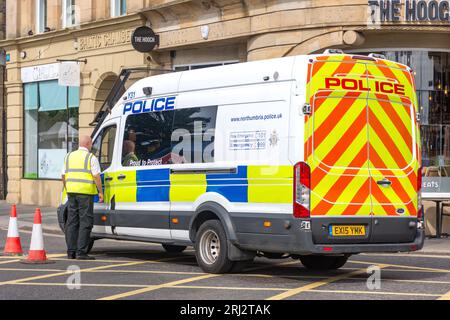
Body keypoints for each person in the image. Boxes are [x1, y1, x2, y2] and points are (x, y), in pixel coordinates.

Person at [61, 135, 104, 260]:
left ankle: (71, 252)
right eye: (91, 144)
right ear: (89, 144)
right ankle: (81, 252)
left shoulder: (69, 156)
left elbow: (63, 175)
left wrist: (67, 188)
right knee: (85, 221)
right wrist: (100, 192)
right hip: (85, 193)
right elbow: (96, 176)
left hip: (71, 193)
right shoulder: (91, 157)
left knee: (71, 221)